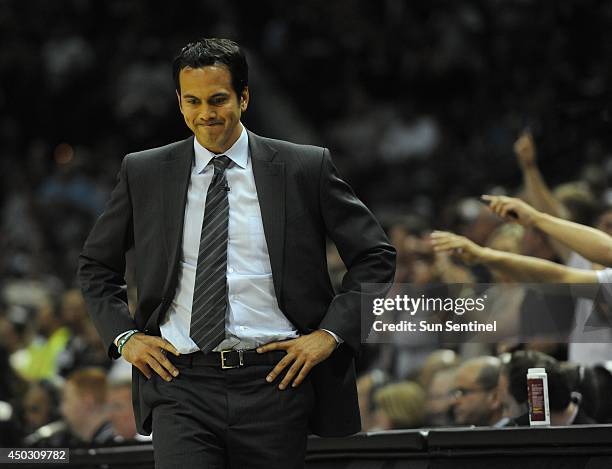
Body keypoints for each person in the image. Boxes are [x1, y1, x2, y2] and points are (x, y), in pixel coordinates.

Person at [78, 38, 395, 468]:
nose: (205, 113)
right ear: (178, 102)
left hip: (274, 380)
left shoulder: (304, 167)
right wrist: (126, 337)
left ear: (244, 97)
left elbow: (375, 255)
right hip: (180, 382)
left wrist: (330, 335)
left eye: (218, 99)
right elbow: (97, 266)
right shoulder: (144, 171)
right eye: (192, 101)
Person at [450, 356, 503, 426]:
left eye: (463, 392)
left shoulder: (515, 435)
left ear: (495, 397)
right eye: (455, 393)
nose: (453, 401)